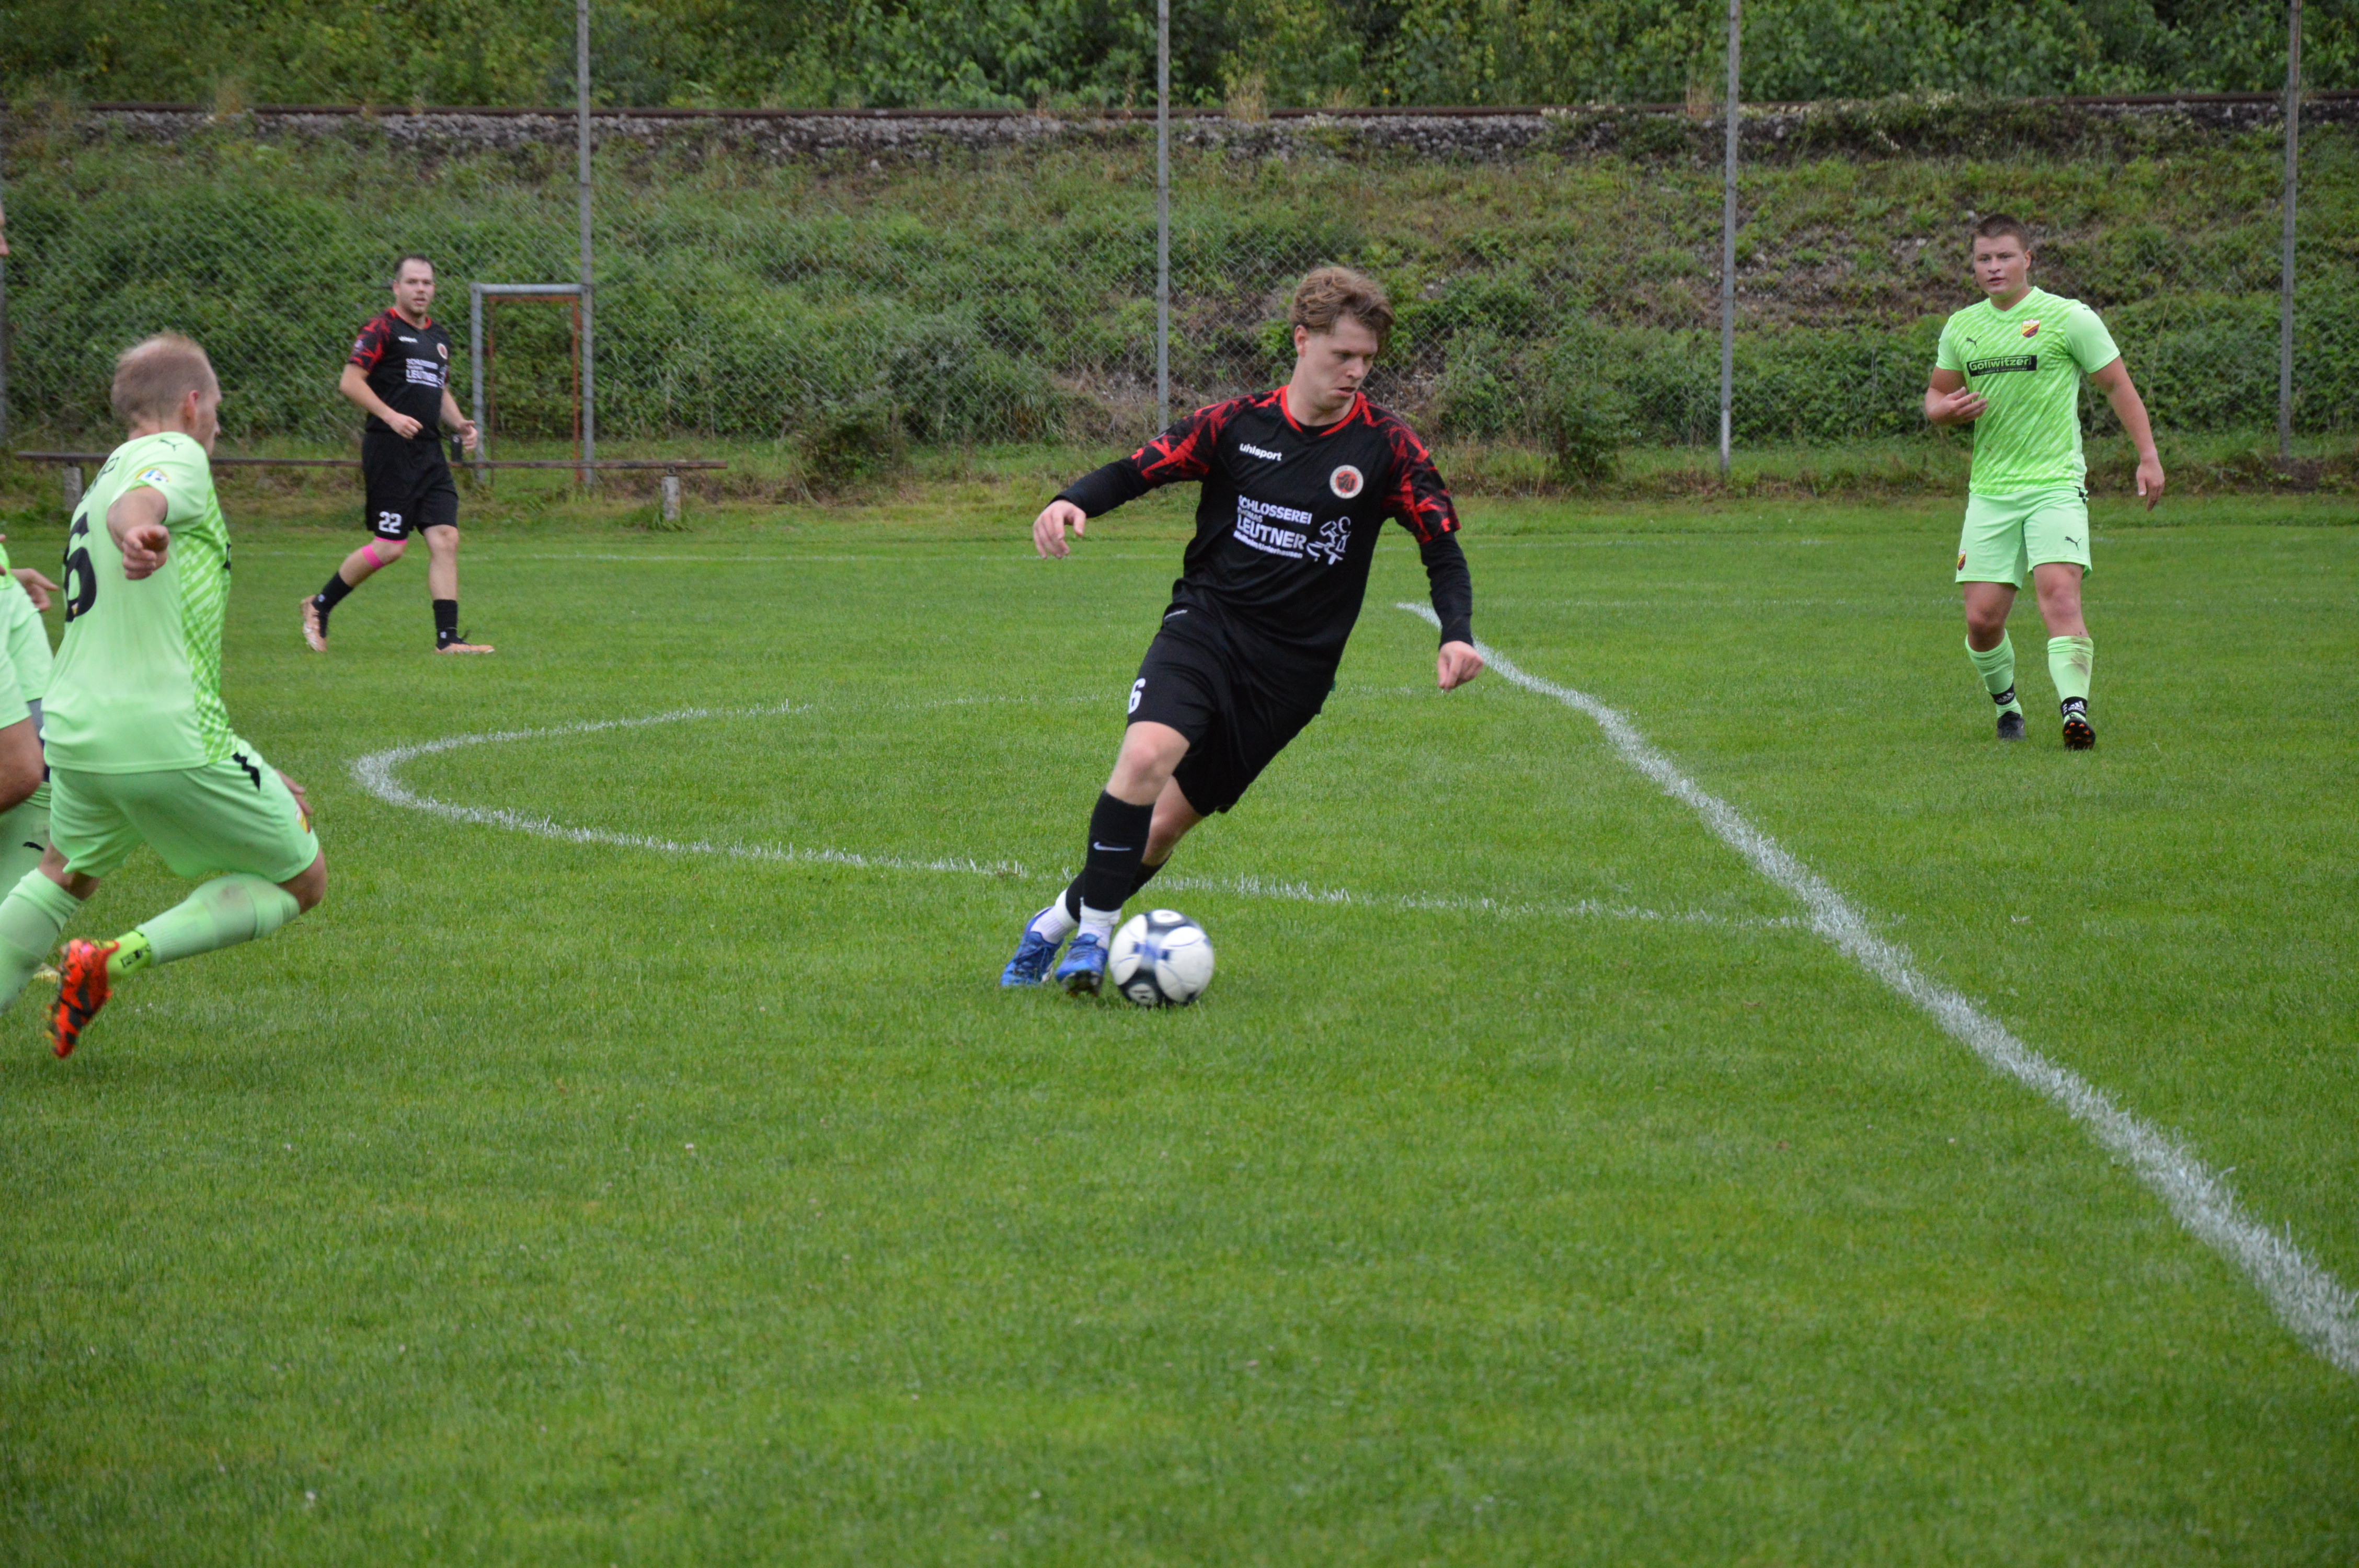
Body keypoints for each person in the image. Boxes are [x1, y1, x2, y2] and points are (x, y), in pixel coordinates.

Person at [1001, 267, 1484, 995]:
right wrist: (1074, 501)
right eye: (1343, 355)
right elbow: (1138, 469)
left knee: (1161, 830)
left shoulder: (1388, 447)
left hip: (1290, 676)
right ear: (1302, 340)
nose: (1356, 372)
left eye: (1367, 359)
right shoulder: (1234, 424)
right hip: (1206, 628)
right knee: (1146, 754)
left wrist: (1457, 631)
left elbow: (1441, 547)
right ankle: (1093, 941)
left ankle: (1051, 925)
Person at [0, 335, 326, 1057]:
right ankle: (110, 962)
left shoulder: (100, 478)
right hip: (165, 733)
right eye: (217, 410)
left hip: (77, 733)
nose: (218, 426)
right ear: (191, 404)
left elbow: (125, 504)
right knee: (303, 880)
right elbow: (141, 502)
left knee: (63, 872)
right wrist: (139, 530)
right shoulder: (176, 454)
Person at [1925, 213, 2163, 749]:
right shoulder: (1962, 326)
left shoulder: (2068, 318)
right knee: (1982, 620)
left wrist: (2148, 456)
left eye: (2005, 256)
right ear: (1974, 267)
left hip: (2055, 485)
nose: (1994, 267)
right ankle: (2007, 708)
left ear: (2027, 259)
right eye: (1984, 259)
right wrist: (1943, 412)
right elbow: (1936, 394)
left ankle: (2074, 712)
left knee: (2059, 595)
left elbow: (2117, 385)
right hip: (1991, 492)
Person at [301, 254, 492, 654]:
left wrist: (460, 424)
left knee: (446, 538)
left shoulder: (438, 337)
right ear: (397, 287)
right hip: (390, 450)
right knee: (390, 547)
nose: (421, 289)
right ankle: (320, 605)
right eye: (413, 282)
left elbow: (438, 389)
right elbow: (350, 382)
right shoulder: (381, 329)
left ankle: (448, 640)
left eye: (427, 283)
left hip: (429, 452)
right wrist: (390, 416)